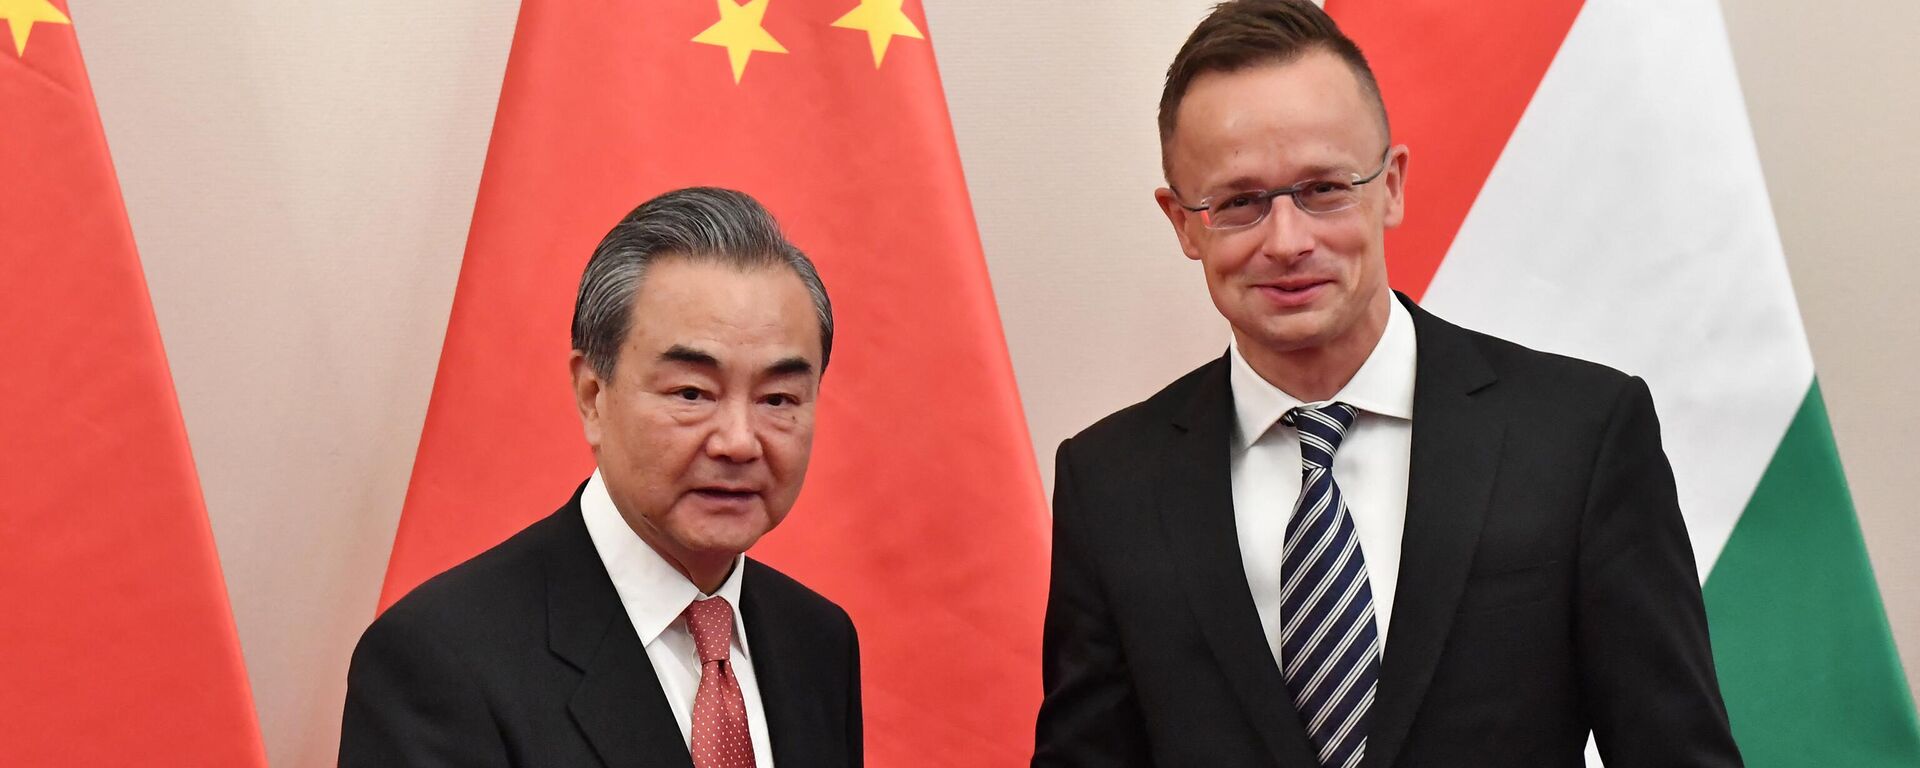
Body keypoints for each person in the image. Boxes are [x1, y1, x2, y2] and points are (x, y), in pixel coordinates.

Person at [1031, 2, 1743, 766]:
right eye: (1239, 202)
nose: (1288, 240)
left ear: (1391, 187)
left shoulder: (1581, 437)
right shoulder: (1109, 487)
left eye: (1324, 188)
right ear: (1183, 223)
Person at [341, 187, 862, 767]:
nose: (739, 441)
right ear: (593, 396)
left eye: (779, 398)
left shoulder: (818, 641)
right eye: (692, 393)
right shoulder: (440, 661)